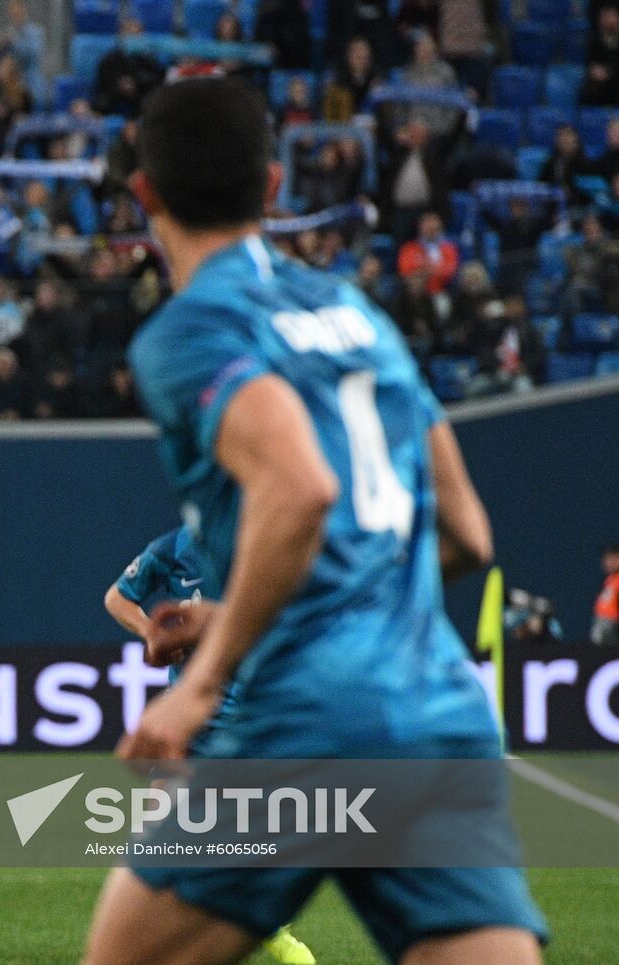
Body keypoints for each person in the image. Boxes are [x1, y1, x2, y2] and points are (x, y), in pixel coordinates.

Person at [85, 77, 545, 965]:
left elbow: (299, 489)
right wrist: (239, 611)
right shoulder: (359, 314)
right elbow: (464, 533)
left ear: (143, 196)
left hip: (303, 714)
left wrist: (204, 678)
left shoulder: (191, 332)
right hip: (436, 708)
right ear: (272, 187)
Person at [102, 526, 314, 965]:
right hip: (192, 717)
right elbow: (117, 597)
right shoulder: (175, 546)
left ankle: (263, 925)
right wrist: (150, 633)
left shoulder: (270, 538)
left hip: (255, 715)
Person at [592, 544, 619, 646]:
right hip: (604, 624)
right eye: (606, 559)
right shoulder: (610, 580)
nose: (607, 562)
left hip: (612, 626)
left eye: (611, 558)